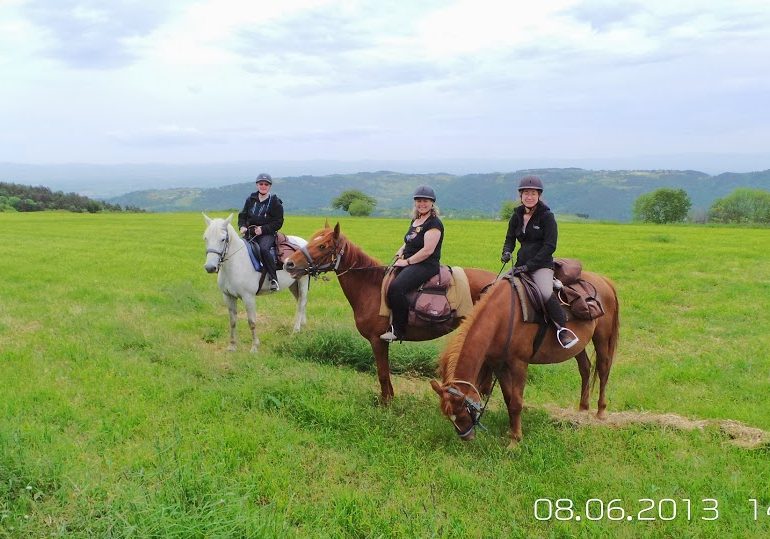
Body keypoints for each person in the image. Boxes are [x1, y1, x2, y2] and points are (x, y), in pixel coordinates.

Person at [501, 176, 578, 349]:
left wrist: (530, 266)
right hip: (520, 264)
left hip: (541, 265)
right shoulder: (517, 215)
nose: (529, 196)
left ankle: (562, 330)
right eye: (526, 193)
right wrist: (506, 252)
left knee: (544, 292)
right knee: (497, 286)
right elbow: (510, 238)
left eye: (533, 193)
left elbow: (550, 246)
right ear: (521, 195)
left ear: (539, 195)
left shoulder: (547, 216)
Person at [381, 185, 444, 342]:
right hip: (409, 261)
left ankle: (399, 330)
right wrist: (400, 250)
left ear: (432, 203)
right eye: (419, 201)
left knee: (397, 288)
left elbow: (427, 251)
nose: (422, 204)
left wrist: (407, 262)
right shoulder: (416, 220)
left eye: (425, 201)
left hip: (425, 264)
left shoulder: (434, 224)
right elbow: (410, 241)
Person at [238, 173, 284, 291]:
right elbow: (242, 215)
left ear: (270, 186)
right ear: (257, 185)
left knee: (263, 249)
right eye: (261, 184)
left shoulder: (275, 202)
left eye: (266, 184)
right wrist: (242, 226)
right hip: (250, 232)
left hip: (267, 234)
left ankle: (273, 279)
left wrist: (263, 229)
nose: (263, 186)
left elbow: (278, 222)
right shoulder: (250, 199)